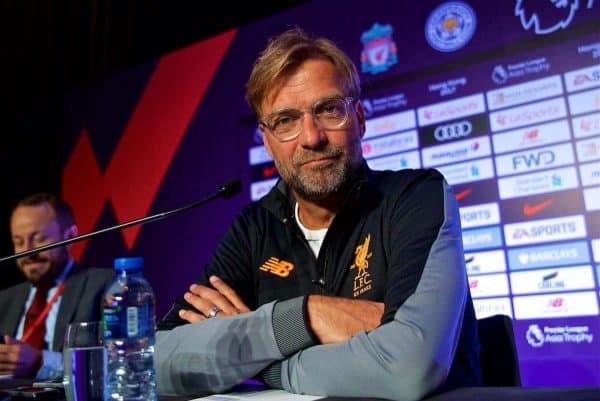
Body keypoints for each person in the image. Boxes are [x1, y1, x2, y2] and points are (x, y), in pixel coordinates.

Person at [155, 27, 482, 401]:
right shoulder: (254, 227)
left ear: (359, 118)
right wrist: (307, 315)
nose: (311, 137)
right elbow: (157, 359)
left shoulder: (415, 197)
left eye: (329, 110)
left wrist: (257, 357)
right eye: (285, 121)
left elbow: (407, 368)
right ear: (267, 141)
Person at [0, 193, 113, 379]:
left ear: (70, 236)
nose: (28, 252)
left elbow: (121, 361)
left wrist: (41, 363)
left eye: (39, 239)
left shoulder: (104, 285)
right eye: (18, 242)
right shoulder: (4, 300)